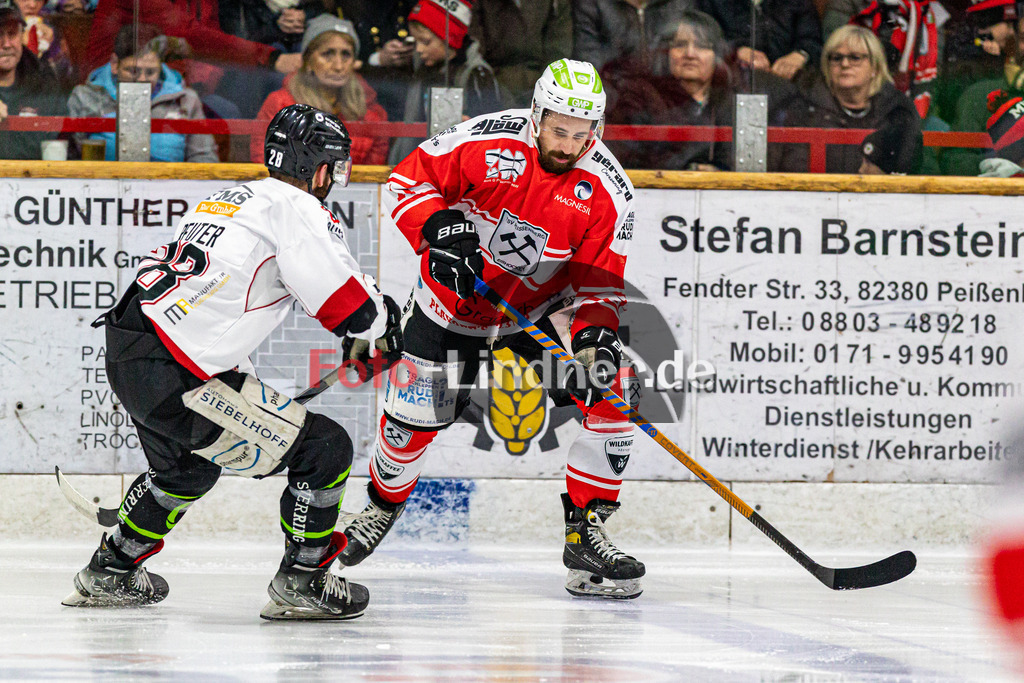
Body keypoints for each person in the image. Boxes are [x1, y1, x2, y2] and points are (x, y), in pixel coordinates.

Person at [61, 103, 404, 621]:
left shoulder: (231, 197)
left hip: (131, 347)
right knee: (325, 449)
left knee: (185, 471)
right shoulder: (298, 208)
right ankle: (304, 580)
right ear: (321, 168)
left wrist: (361, 330)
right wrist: (380, 329)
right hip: (174, 370)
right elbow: (349, 306)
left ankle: (110, 571)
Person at [341, 59, 647, 600]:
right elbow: (408, 178)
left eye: (582, 134)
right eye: (559, 130)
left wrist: (595, 341)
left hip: (539, 309)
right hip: (454, 303)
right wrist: (439, 229)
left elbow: (599, 287)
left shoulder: (609, 189)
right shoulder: (486, 139)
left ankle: (585, 532)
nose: (569, 144)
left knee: (615, 384)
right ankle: (380, 507)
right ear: (536, 114)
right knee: (411, 424)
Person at [605, 11, 797, 170]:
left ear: (717, 57)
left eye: (702, 46)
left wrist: (719, 172)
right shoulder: (641, 96)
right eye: (680, 45)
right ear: (667, 53)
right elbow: (628, 159)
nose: (690, 54)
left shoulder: (732, 99)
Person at [775, 25, 922, 173]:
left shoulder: (897, 111)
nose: (844, 64)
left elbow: (920, 171)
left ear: (875, 68)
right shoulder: (801, 110)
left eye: (855, 58)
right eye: (837, 58)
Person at [252, 15, 389, 166]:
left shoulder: (373, 114)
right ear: (307, 61)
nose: (338, 66)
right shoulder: (281, 105)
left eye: (346, 55)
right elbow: (266, 166)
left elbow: (373, 181)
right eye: (327, 54)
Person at [68, 25, 218, 162]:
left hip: (170, 187)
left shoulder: (185, 100)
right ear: (115, 64)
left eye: (151, 72)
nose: (142, 80)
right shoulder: (86, 97)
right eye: (133, 71)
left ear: (161, 67)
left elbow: (204, 159)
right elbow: (71, 158)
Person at [386, 0, 507, 164]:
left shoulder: (476, 75)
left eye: (426, 41)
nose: (419, 49)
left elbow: (491, 137)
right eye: (416, 41)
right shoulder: (422, 72)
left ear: (450, 39)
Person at [469, 0, 574, 107]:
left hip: (541, 83)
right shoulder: (481, 4)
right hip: (493, 85)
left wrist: (545, 87)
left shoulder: (555, 3)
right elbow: (475, 48)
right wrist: (490, 84)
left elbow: (558, 50)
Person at [0, 0, 66, 160]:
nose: (6, 44)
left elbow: (62, 147)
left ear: (22, 35)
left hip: (34, 181)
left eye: (12, 33)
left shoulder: (43, 79)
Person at [700, 0, 822, 81]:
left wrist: (800, 54)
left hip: (788, 82)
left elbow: (813, 39)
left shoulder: (799, 2)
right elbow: (703, 38)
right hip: (731, 80)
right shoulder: (712, 2)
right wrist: (736, 51)